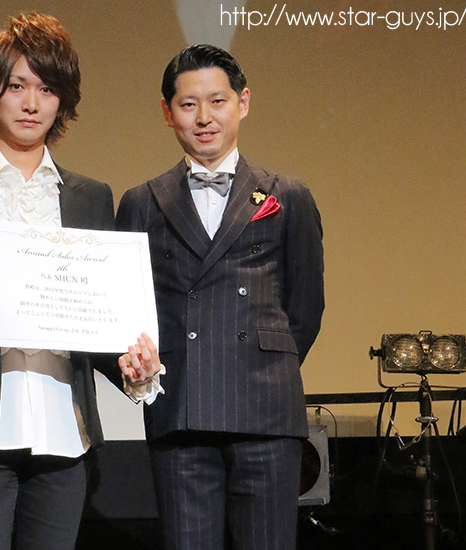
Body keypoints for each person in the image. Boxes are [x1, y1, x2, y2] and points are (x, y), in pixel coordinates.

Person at [0, 13, 158, 550]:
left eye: (47, 89)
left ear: (63, 101)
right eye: (17, 86)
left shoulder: (90, 198)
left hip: (65, 428)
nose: (32, 103)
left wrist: (132, 369)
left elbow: (94, 321)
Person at [115, 44, 325, 550]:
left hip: (267, 412)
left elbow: (305, 310)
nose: (204, 117)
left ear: (243, 103)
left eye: (217, 101)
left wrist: (262, 364)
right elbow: (124, 312)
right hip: (181, 411)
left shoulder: (286, 195)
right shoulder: (142, 202)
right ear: (167, 112)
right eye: (188, 104)